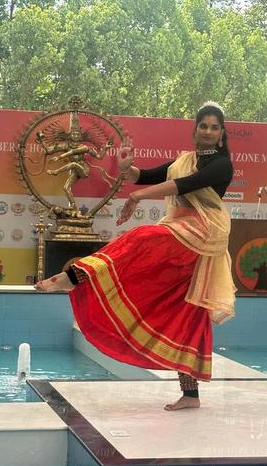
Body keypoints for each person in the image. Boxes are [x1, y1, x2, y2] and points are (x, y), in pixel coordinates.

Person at [35, 102, 236, 411]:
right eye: (203, 126)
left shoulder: (222, 165)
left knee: (141, 238)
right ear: (195, 129)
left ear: (221, 134)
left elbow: (185, 185)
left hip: (201, 235)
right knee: (187, 311)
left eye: (214, 127)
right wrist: (127, 168)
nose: (208, 131)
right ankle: (191, 395)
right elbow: (146, 176)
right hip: (183, 232)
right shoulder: (185, 160)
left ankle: (74, 276)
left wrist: (138, 196)